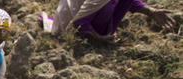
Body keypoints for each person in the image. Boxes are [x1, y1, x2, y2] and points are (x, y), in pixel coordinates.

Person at [41, 0, 175, 42]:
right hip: (70, 26)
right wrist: (99, 38)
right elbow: (79, 23)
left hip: (84, 18)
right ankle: (90, 36)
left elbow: (130, 1)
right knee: (107, 6)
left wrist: (151, 11)